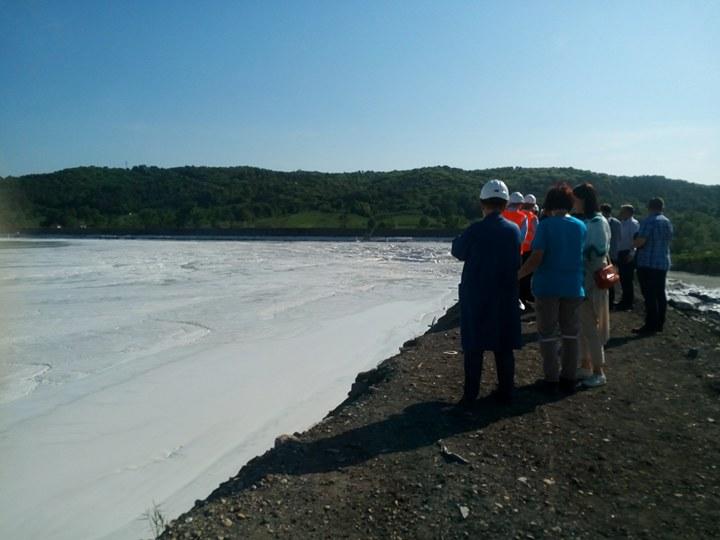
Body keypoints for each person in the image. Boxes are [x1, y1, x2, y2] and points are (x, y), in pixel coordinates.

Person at [451, 179, 522, 408]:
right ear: (504, 204)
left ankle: (470, 395)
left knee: (474, 347)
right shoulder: (513, 230)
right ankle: (506, 391)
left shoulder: (475, 229)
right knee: (503, 346)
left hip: (477, 295)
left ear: (483, 203)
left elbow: (459, 251)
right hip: (504, 294)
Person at [518, 183, 586, 394]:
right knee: (570, 333)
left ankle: (551, 378)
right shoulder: (580, 226)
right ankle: (569, 376)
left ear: (549, 203)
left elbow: (536, 257)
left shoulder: (546, 225)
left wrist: (517, 275)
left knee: (548, 333)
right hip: (573, 286)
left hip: (548, 285)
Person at [573, 184, 611, 388]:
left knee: (590, 326)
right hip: (591, 278)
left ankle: (598, 370)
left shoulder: (594, 222)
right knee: (583, 325)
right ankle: (586, 365)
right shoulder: (598, 220)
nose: (573, 203)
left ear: (583, 200)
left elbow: (591, 253)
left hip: (591, 280)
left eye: (575, 199)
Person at [633, 197, 673, 334]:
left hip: (648, 263)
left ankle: (650, 325)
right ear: (662, 207)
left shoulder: (648, 221)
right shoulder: (667, 222)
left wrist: (635, 241)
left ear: (649, 207)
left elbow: (640, 242)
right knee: (660, 294)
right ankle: (659, 324)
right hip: (662, 262)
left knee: (649, 295)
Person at [615, 205, 640, 310]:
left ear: (629, 212)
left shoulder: (633, 224)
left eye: (623, 211)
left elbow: (636, 240)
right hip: (621, 253)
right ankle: (624, 301)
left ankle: (628, 303)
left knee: (628, 279)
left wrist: (632, 254)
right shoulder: (622, 223)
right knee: (623, 279)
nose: (621, 213)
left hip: (628, 253)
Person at [601, 203, 622, 308]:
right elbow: (620, 238)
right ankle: (611, 301)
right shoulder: (618, 223)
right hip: (615, 254)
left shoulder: (602, 222)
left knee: (602, 278)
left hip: (606, 254)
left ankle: (606, 301)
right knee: (611, 278)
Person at [519, 194, 539, 303]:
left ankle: (519, 296)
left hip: (518, 249)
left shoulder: (520, 215)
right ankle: (526, 296)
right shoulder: (533, 217)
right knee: (527, 275)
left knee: (519, 273)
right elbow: (537, 234)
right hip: (529, 250)